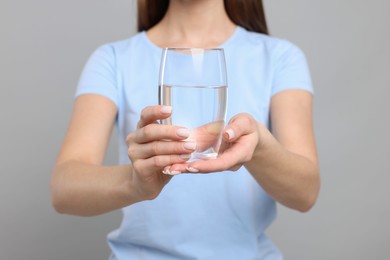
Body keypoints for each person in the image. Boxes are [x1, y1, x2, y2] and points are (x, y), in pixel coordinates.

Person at [51, 0, 320, 259]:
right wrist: (135, 183)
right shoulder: (112, 59)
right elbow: (64, 189)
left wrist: (259, 147)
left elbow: (305, 193)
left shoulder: (280, 57)